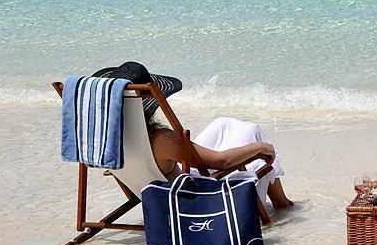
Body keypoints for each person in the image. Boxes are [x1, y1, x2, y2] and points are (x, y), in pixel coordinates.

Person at [107, 61, 294, 210]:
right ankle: (283, 204)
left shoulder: (103, 142)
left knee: (223, 124)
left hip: (156, 194)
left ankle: (282, 201)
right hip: (192, 203)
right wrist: (261, 148)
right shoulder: (159, 139)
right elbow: (222, 162)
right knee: (256, 145)